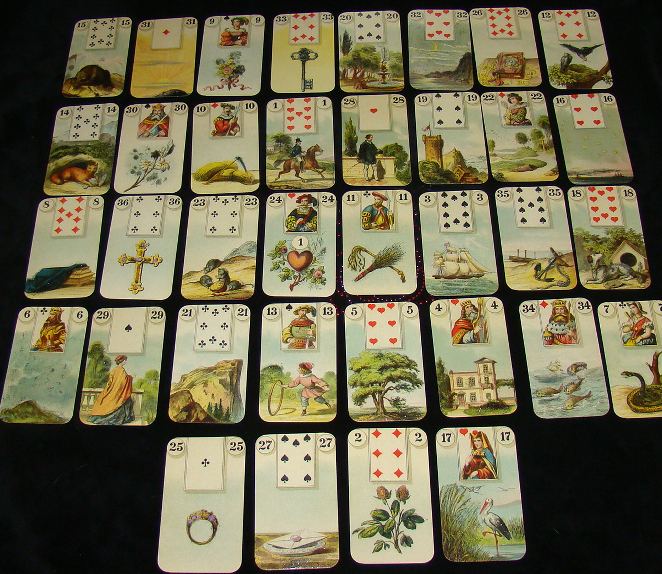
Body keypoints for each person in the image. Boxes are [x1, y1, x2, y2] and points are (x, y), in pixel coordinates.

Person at [88, 355, 135, 425]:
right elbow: (123, 381)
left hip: (114, 390)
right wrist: (130, 377)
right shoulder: (121, 370)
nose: (126, 362)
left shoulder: (114, 370)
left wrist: (109, 389)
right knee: (124, 401)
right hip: (119, 392)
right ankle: (123, 418)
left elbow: (110, 382)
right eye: (125, 360)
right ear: (121, 361)